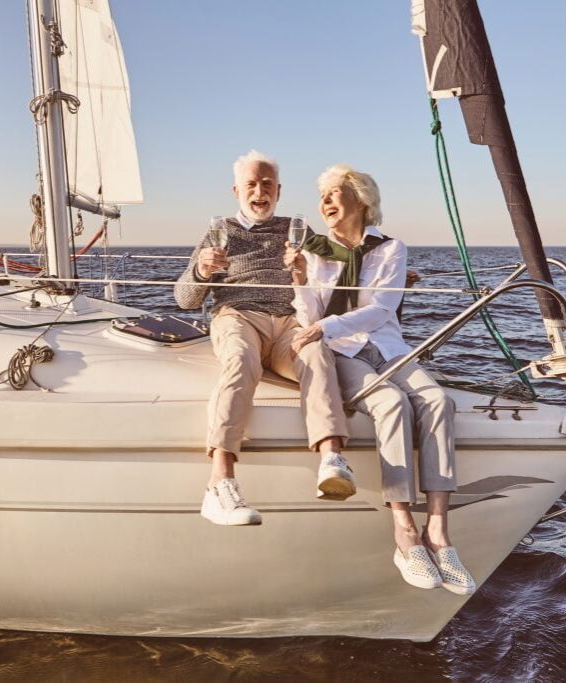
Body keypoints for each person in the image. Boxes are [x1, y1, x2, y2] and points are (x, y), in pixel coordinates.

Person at [284, 164, 475, 594]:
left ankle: (439, 531)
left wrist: (323, 326)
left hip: (387, 346)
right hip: (342, 350)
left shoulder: (390, 249)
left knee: (439, 402)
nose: (326, 202)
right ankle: (404, 529)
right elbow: (310, 317)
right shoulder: (315, 251)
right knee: (391, 403)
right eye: (323, 195)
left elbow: (383, 308)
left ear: (362, 200)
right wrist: (299, 282)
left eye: (335, 193)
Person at [175, 150, 351, 527]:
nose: (260, 191)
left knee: (318, 352)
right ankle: (219, 484)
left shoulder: (297, 230)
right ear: (236, 190)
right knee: (240, 360)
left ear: (279, 191)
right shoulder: (219, 231)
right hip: (239, 315)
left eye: (267, 184)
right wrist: (203, 272)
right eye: (252, 184)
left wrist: (393, 272)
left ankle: (331, 460)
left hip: (291, 318)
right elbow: (186, 300)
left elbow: (344, 260)